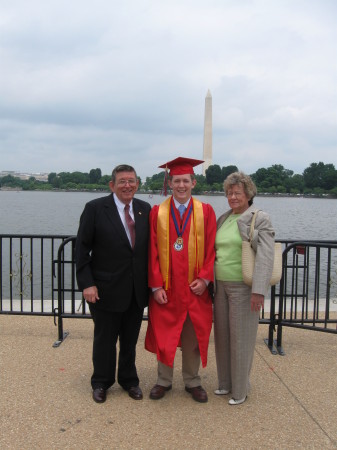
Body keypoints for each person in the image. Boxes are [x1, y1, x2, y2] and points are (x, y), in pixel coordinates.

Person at [75, 164, 151, 403]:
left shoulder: (144, 209)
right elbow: (81, 250)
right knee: (105, 341)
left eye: (131, 181)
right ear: (112, 185)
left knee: (129, 341)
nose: (127, 185)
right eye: (122, 181)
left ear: (137, 184)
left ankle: (129, 380)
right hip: (104, 290)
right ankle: (101, 382)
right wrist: (87, 283)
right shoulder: (95, 209)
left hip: (136, 290)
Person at [145, 157, 216, 403]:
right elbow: (151, 251)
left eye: (186, 180)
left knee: (192, 336)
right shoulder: (158, 213)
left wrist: (205, 279)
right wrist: (155, 286)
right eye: (177, 181)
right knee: (165, 335)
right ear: (170, 183)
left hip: (194, 288)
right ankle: (163, 381)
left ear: (193, 183)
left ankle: (192, 381)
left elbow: (211, 250)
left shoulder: (205, 212)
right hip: (167, 289)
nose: (181, 185)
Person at [213, 171, 275, 405]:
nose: (232, 197)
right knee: (222, 337)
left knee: (241, 339)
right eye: (229, 193)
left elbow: (266, 256)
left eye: (237, 193)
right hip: (221, 286)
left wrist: (259, 290)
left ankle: (240, 391)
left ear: (248, 194)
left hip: (244, 287)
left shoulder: (259, 217)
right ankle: (225, 383)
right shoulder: (224, 217)